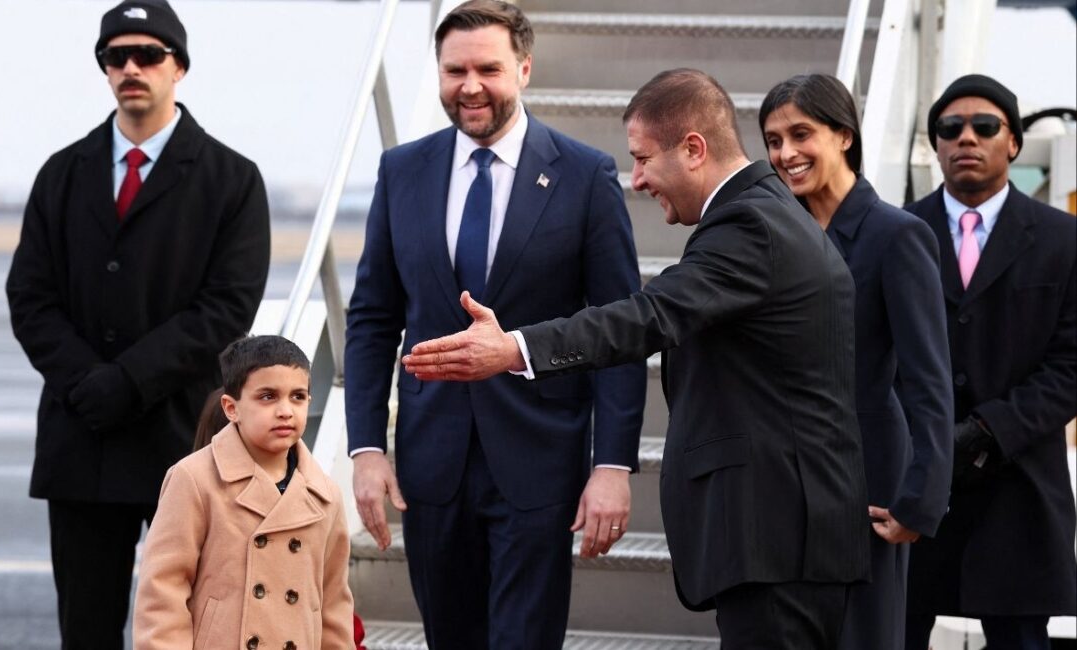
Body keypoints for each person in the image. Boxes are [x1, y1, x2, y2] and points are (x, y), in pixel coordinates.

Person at [403, 68, 871, 649]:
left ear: (694, 149)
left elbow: (647, 315)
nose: (638, 178)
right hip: (786, 536)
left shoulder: (750, 225)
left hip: (778, 539)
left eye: (644, 158)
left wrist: (514, 349)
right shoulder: (764, 213)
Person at [344, 1, 646, 647]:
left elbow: (618, 330)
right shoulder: (401, 171)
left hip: (540, 459)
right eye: (455, 71)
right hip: (431, 462)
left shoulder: (585, 175)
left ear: (525, 69)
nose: (471, 86)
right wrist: (366, 449)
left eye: (489, 69)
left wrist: (613, 464)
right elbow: (371, 318)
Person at [4, 1, 270, 646]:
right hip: (81, 437)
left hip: (182, 441)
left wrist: (128, 381)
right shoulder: (62, 173)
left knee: (196, 629)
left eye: (148, 55)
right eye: (115, 57)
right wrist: (86, 382)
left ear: (179, 67)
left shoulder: (232, 180)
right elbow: (30, 296)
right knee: (85, 630)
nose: (131, 68)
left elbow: (227, 307)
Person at [757, 73, 954, 650]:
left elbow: (928, 380)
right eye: (773, 141)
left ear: (844, 135)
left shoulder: (898, 235)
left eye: (801, 134)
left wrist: (919, 499)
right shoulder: (773, 235)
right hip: (781, 479)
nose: (785, 154)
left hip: (869, 479)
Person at [903, 74, 1077, 650]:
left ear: (1014, 142)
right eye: (950, 128)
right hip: (917, 484)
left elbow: (1071, 366)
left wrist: (988, 430)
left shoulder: (1064, 240)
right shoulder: (899, 231)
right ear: (936, 144)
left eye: (984, 126)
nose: (966, 138)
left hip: (1020, 487)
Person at [133, 335, 353, 650]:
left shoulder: (325, 494)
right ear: (231, 408)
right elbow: (162, 592)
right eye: (268, 396)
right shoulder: (194, 479)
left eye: (298, 397)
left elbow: (334, 605)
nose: (285, 411)